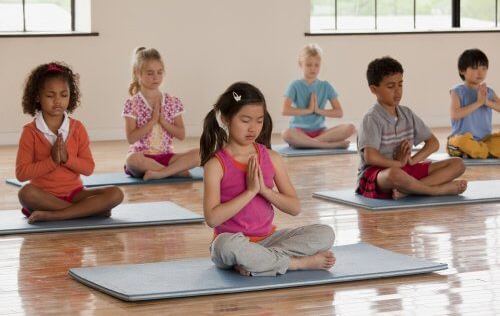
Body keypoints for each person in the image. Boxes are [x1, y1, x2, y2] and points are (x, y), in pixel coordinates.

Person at [200, 81, 335, 276]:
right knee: (224, 246)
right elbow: (212, 219)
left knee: (325, 233)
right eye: (245, 120)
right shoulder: (216, 165)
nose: (253, 128)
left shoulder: (272, 158)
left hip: (268, 239)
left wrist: (264, 190)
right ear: (226, 118)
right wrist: (250, 191)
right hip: (232, 242)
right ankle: (295, 263)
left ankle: (258, 261)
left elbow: (294, 208)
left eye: (259, 120)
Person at [16, 62, 123, 223]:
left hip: (75, 194)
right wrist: (52, 161)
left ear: (70, 96)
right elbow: (21, 174)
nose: (58, 101)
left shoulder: (77, 128)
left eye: (63, 95)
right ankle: (87, 212)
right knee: (25, 193)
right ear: (38, 96)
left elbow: (88, 169)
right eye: (50, 95)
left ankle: (58, 214)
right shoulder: (30, 132)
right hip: (44, 196)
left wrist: (67, 159)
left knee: (116, 193)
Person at [356, 57, 467, 200]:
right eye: (390, 86)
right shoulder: (372, 118)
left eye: (400, 85)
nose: (397, 91)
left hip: (405, 170)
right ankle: (435, 190)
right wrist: (397, 163)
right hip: (379, 175)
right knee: (394, 174)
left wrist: (413, 160)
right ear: (374, 89)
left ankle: (408, 190)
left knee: (458, 164)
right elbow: (370, 157)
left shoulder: (407, 113)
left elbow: (433, 143)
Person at [123, 47, 199, 180]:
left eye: (159, 72)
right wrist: (152, 121)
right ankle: (175, 172)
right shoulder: (132, 104)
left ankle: (162, 173)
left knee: (201, 153)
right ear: (138, 73)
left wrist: (163, 121)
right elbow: (131, 138)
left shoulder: (173, 102)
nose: (156, 77)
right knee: (131, 160)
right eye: (150, 73)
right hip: (142, 158)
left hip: (167, 157)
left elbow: (181, 135)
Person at [281, 43, 355, 148]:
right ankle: (327, 146)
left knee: (350, 127)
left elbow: (339, 112)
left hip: (321, 132)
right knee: (286, 133)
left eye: (316, 65)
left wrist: (318, 110)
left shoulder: (326, 86)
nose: (313, 69)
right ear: (300, 64)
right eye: (308, 65)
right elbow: (285, 110)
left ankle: (309, 143)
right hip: (299, 131)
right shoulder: (294, 85)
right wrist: (309, 110)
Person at [447, 48, 500, 159]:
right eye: (474, 68)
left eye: (484, 68)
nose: (480, 72)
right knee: (460, 142)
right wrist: (478, 103)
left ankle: (477, 152)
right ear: (462, 71)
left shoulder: (488, 91)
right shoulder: (457, 91)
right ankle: (480, 152)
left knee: (496, 141)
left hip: (484, 139)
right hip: (463, 138)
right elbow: (455, 115)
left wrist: (486, 102)